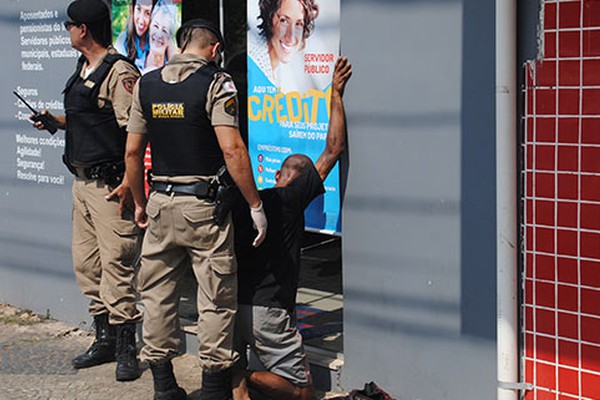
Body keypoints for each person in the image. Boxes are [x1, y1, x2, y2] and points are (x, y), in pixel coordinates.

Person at [125, 19, 268, 400]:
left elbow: (133, 152)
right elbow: (233, 149)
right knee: (216, 298)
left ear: (180, 44)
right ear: (216, 49)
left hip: (159, 203)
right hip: (204, 207)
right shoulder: (217, 83)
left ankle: (164, 386)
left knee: (155, 294)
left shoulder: (145, 84)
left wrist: (140, 203)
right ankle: (213, 389)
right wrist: (255, 204)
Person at [30, 0, 142, 383]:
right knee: (87, 264)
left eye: (70, 25)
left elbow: (135, 130)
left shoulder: (120, 71)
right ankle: (105, 339)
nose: (67, 31)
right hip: (82, 183)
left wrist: (131, 181)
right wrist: (54, 121)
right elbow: (87, 119)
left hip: (111, 186)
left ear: (85, 30)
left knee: (117, 265)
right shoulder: (83, 68)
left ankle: (128, 346)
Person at [231, 56, 352, 400]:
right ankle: (242, 377)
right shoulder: (290, 199)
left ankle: (237, 378)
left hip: (230, 302)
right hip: (268, 310)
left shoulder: (243, 203)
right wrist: (336, 94)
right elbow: (333, 149)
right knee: (302, 392)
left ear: (276, 176)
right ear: (300, 181)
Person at [249, 0, 319, 87]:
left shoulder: (275, 63)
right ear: (269, 18)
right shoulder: (255, 64)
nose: (290, 37)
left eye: (298, 24)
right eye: (284, 21)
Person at [114, 0, 157, 71]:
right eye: (138, 9)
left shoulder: (157, 40)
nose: (141, 21)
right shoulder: (123, 40)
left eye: (148, 13)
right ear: (133, 9)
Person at [144, 2, 178, 72]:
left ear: (169, 39)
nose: (159, 34)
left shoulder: (173, 71)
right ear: (149, 28)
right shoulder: (134, 61)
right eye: (155, 26)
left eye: (164, 30)